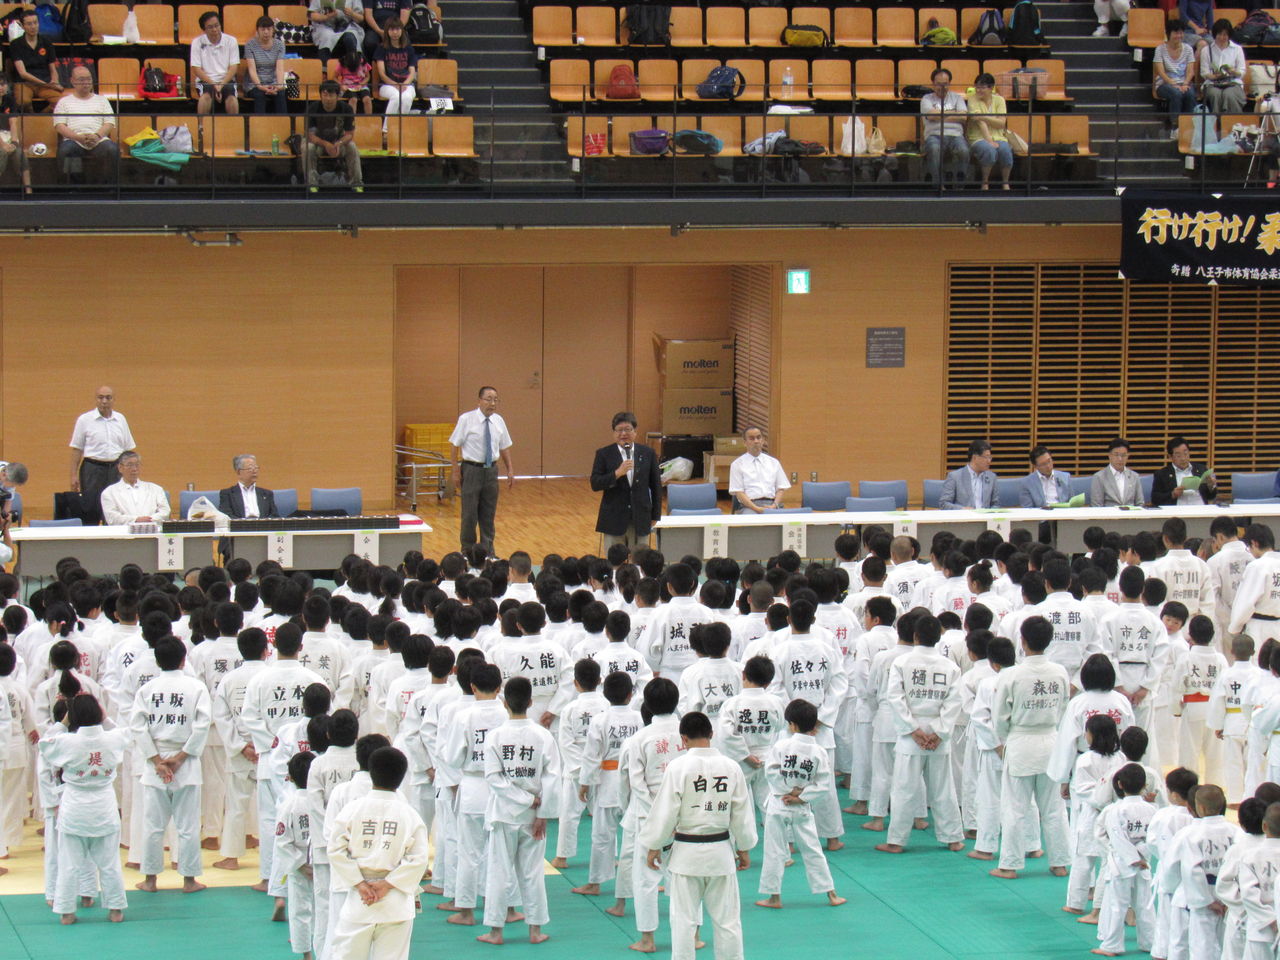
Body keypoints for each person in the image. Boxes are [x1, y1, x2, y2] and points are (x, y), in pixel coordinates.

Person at [638, 711, 756, 960]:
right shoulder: (731, 767)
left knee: (683, 921)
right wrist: (744, 847)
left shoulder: (678, 767)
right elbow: (742, 813)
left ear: (683, 739)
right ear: (712, 734)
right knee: (727, 921)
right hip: (721, 853)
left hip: (687, 855)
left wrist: (654, 845)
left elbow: (665, 812)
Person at [479, 676, 561, 945]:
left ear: (504, 703)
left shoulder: (495, 736)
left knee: (499, 870)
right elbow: (552, 778)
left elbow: (494, 777)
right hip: (533, 817)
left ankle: (495, 931)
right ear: (531, 702)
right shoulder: (543, 736)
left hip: (504, 812)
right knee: (532, 872)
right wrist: (541, 812)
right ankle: (535, 930)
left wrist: (526, 801)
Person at [326, 746, 429, 960]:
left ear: (370, 772)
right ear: (401, 777)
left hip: (360, 899)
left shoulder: (352, 810)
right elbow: (419, 860)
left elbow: (335, 849)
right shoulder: (409, 814)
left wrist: (359, 883)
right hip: (396, 901)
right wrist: (388, 884)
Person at [990, 616, 1071, 880]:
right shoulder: (1059, 672)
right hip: (1050, 741)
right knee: (1054, 808)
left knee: (1015, 808)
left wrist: (1006, 739)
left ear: (1022, 641)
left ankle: (1010, 865)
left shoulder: (1011, 675)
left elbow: (999, 717)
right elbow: (1063, 707)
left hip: (1021, 742)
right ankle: (1059, 862)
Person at [130, 636, 213, 894]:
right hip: (184, 762)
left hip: (156, 763)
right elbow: (202, 725)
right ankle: (189, 880)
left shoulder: (147, 690)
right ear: (183, 660)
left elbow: (138, 727)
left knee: (153, 825)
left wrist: (157, 760)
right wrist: (180, 757)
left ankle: (150, 880)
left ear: (157, 661)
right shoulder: (196, 688)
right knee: (187, 825)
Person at [756, 698, 846, 909]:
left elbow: (771, 772)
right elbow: (823, 784)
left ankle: (774, 897)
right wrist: (800, 796)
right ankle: (831, 894)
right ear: (814, 725)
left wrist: (787, 791)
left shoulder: (781, 745)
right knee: (813, 849)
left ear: (792, 725)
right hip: (801, 807)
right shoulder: (819, 752)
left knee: (774, 851)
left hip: (779, 803)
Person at [449, 386, 513, 556]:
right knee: (469, 514)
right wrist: (455, 471)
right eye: (488, 399)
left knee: (488, 513)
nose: (492, 403)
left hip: (491, 471)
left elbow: (504, 446)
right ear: (479, 401)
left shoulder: (499, 421)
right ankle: (467, 551)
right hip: (472, 469)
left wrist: (510, 469)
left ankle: (488, 551)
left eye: (495, 400)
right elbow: (454, 446)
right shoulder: (466, 419)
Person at [590, 411, 662, 550]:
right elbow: (595, 483)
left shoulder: (648, 453)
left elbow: (656, 486)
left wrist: (655, 515)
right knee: (614, 559)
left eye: (628, 429)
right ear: (614, 433)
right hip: (614, 518)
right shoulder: (604, 454)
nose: (623, 433)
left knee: (640, 559)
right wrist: (617, 473)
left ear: (635, 432)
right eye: (619, 430)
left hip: (640, 517)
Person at [69, 386, 135, 525]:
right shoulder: (84, 420)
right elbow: (77, 449)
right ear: (96, 399)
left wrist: (130, 471)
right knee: (91, 507)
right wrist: (73, 475)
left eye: (108, 398)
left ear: (114, 400)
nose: (104, 401)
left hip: (116, 469)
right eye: (100, 397)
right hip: (92, 468)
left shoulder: (121, 419)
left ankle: (112, 534)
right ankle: (90, 534)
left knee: (115, 505)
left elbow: (128, 449)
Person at [52, 66, 117, 183]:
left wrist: (97, 136)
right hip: (74, 140)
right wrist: (78, 138)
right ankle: (73, 188)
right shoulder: (64, 101)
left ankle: (107, 188)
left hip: (98, 140)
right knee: (66, 150)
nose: (86, 83)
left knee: (112, 149)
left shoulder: (102, 100)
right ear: (72, 81)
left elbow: (109, 122)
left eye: (89, 79)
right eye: (81, 79)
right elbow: (59, 125)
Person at [305, 80, 363, 193]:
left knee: (352, 146)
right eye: (325, 95)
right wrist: (326, 144)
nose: (328, 98)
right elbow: (310, 136)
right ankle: (312, 184)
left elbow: (350, 135)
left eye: (331, 95)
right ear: (320, 95)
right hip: (319, 143)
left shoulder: (346, 109)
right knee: (308, 147)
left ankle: (356, 183)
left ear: (337, 96)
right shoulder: (312, 108)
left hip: (338, 143)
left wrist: (339, 143)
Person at [921, 67, 968, 187]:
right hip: (934, 135)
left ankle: (959, 186)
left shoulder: (957, 98)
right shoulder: (926, 99)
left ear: (949, 83)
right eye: (939, 84)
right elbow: (931, 116)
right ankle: (938, 185)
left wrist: (939, 115)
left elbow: (963, 117)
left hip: (956, 135)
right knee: (933, 149)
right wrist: (954, 113)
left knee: (964, 151)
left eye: (945, 84)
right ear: (933, 84)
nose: (942, 87)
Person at [8, 8, 63, 112]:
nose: (33, 26)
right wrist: (46, 84)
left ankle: (40, 117)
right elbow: (23, 73)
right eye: (29, 24)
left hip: (45, 80)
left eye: (35, 23)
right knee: (23, 102)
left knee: (60, 102)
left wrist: (54, 82)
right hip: (25, 83)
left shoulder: (46, 42)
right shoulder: (16, 44)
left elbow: (52, 68)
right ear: (22, 26)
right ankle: (31, 117)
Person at [727, 426, 790, 514]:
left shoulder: (774, 462)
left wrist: (774, 505)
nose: (756, 441)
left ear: (763, 440)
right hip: (749, 506)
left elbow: (781, 488)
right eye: (752, 438)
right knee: (751, 518)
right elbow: (739, 492)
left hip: (772, 504)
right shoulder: (737, 464)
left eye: (758, 437)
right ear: (745, 442)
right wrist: (757, 509)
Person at [966, 73, 1012, 191]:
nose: (978, 90)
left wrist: (984, 116)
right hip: (977, 137)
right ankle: (985, 182)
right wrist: (989, 140)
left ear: (991, 88)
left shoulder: (1000, 100)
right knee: (989, 150)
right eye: (977, 87)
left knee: (1005, 150)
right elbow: (980, 122)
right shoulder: (972, 100)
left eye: (982, 87)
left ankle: (1005, 182)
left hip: (999, 136)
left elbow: (1001, 123)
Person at [99, 451, 170, 526]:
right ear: (120, 468)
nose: (134, 469)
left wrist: (149, 520)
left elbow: (165, 511)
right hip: (123, 532)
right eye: (129, 465)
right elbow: (112, 518)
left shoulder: (156, 489)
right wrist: (136, 520)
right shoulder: (109, 492)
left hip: (152, 529)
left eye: (137, 465)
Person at [191, 12, 240, 115]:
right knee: (205, 98)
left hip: (226, 80)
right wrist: (213, 84)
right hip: (206, 80)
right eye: (210, 27)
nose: (214, 29)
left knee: (232, 100)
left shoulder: (231, 41)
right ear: (204, 29)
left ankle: (234, 124)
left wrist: (221, 85)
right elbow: (196, 69)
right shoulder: (197, 42)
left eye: (217, 25)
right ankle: (202, 124)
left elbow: (234, 67)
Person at [1151, 436, 1217, 506]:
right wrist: (1172, 494)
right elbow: (1155, 500)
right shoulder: (1162, 474)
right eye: (1178, 456)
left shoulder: (1201, 469)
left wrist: (1211, 487)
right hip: (1178, 510)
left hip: (1200, 508)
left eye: (1185, 454)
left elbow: (1211, 496)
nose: (1183, 458)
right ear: (1170, 456)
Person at [1154, 20, 1199, 120]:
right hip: (1164, 83)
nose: (1179, 36)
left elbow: (1190, 71)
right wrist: (1173, 84)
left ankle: (1188, 124)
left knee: (1190, 94)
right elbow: (1161, 72)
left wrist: (1185, 83)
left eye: (1181, 33)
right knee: (1176, 94)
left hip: (1184, 83)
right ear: (1168, 34)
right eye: (1176, 33)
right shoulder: (1160, 49)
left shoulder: (1188, 49)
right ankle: (1175, 125)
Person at [1200, 19, 1247, 114]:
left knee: (1229, 94)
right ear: (1215, 34)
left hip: (1233, 82)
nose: (1222, 37)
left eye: (1225, 35)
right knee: (1215, 94)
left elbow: (1242, 71)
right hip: (1212, 83)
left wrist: (1233, 72)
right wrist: (1215, 76)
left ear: (1229, 35)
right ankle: (1216, 120)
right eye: (1219, 34)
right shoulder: (1206, 50)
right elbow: (1204, 73)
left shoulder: (1237, 49)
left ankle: (1233, 120)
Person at [374, 19, 417, 119]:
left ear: (402, 30)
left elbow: (412, 72)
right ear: (387, 31)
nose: (395, 32)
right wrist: (395, 85)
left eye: (397, 29)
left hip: (407, 84)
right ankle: (387, 128)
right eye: (392, 29)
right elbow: (382, 74)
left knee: (407, 98)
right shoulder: (382, 48)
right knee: (396, 97)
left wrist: (404, 84)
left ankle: (400, 126)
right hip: (387, 85)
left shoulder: (409, 49)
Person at [244, 17, 287, 114]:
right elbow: (252, 70)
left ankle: (284, 122)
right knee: (260, 95)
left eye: (269, 29)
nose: (266, 32)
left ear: (273, 30)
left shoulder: (280, 45)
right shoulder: (250, 45)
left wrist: (279, 85)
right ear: (257, 30)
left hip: (273, 82)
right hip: (254, 84)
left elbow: (279, 69)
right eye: (263, 29)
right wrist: (260, 86)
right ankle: (259, 122)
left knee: (281, 94)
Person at [939, 438, 998, 510]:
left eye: (990, 457)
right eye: (986, 457)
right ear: (975, 457)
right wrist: (962, 509)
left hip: (985, 516)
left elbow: (995, 504)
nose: (989, 461)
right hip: (963, 516)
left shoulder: (991, 477)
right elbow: (944, 504)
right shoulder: (955, 477)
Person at [219, 454, 279, 518]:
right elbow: (226, 515)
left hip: (263, 524)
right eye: (250, 468)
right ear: (239, 472)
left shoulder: (266, 494)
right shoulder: (227, 494)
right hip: (240, 524)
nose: (255, 471)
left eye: (256, 468)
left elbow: (274, 515)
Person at [309, 0, 366, 69]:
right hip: (325, 27)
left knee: (350, 37)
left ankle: (354, 69)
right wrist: (326, 17)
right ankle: (325, 70)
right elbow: (312, 15)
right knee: (326, 36)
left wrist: (352, 14)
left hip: (347, 27)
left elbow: (361, 18)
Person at [1089, 437, 1144, 507]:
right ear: (1109, 456)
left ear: (1128, 456)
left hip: (1131, 513)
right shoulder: (1099, 477)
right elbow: (1096, 506)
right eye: (1116, 455)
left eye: (1123, 455)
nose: (1120, 459)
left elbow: (1140, 504)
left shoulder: (1134, 476)